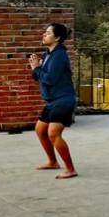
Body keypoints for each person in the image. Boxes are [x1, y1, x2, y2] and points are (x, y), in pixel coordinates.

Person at [29, 23, 77, 179]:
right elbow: (39, 76)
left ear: (57, 37)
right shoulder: (48, 53)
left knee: (53, 133)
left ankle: (70, 169)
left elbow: (49, 78)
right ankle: (52, 162)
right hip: (51, 101)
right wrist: (36, 68)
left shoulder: (59, 55)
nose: (44, 34)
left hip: (63, 100)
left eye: (48, 33)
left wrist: (37, 68)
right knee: (40, 130)